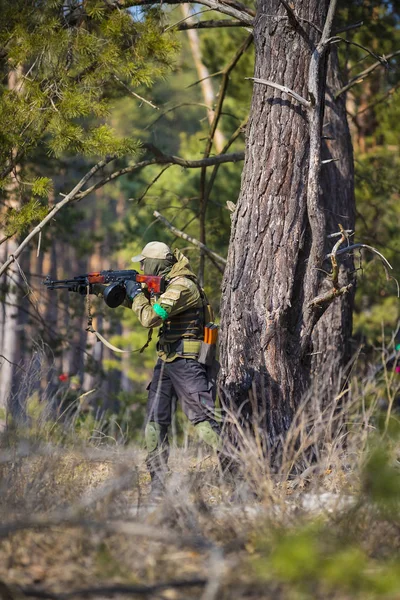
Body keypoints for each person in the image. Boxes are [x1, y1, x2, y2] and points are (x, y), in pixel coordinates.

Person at [123, 241, 221, 499]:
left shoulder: (182, 286)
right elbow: (145, 306)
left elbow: (150, 317)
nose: (142, 266)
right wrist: (109, 291)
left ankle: (243, 478)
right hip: (167, 360)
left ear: (156, 264)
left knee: (206, 423)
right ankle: (157, 485)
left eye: (144, 262)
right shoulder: (165, 284)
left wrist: (136, 295)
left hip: (187, 363)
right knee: (154, 424)